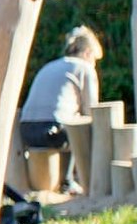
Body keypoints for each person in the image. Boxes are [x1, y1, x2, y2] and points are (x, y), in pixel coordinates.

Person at [17, 25, 103, 193]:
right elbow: (92, 110)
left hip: (26, 129)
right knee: (82, 126)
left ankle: (64, 180)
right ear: (87, 53)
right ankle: (68, 181)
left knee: (71, 121)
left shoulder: (50, 66)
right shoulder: (85, 69)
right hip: (52, 129)